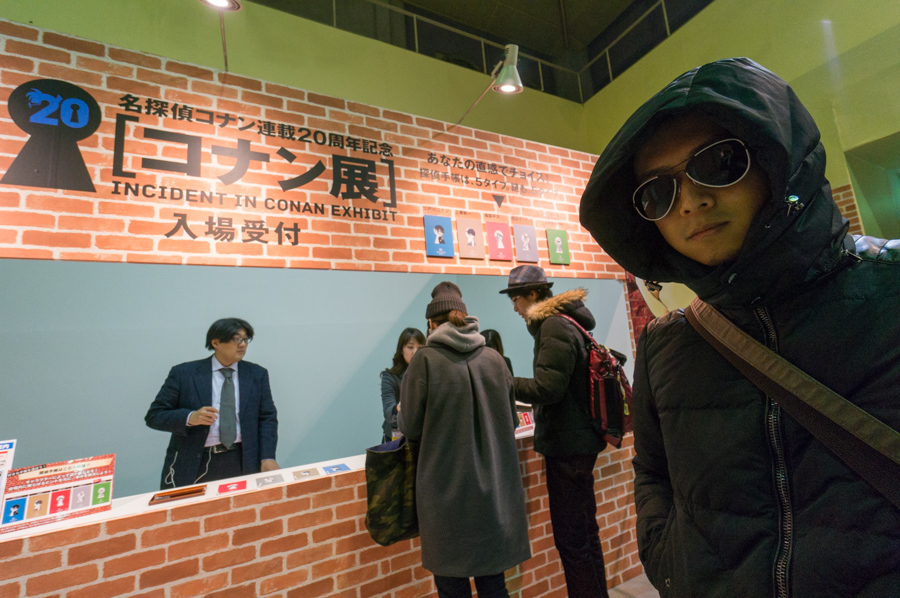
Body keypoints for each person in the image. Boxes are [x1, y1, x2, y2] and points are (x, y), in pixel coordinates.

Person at [579, 57, 900, 597]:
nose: (691, 202)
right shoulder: (666, 343)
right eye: (658, 192)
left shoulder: (889, 289)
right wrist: (667, 558)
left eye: (719, 162)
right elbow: (653, 471)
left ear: (777, 161)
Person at [399, 282, 531, 598]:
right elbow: (511, 422)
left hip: (445, 496)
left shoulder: (424, 361)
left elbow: (410, 427)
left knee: (451, 587)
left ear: (431, 323)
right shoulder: (495, 359)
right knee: (494, 584)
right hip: (493, 496)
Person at [499, 265, 609, 598]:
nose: (514, 308)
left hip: (567, 448)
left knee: (572, 541)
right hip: (579, 443)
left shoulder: (553, 326)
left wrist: (504, 382)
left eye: (516, 300)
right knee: (585, 535)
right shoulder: (567, 322)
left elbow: (548, 388)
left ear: (533, 294)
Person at [145, 317, 279, 489]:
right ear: (216, 342)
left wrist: (267, 456)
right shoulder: (185, 374)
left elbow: (267, 418)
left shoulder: (256, 374)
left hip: (243, 459)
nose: (242, 345)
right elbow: (154, 415)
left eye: (246, 340)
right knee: (190, 506)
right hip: (196, 460)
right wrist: (190, 417)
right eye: (236, 339)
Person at [379, 327, 425, 442]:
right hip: (397, 438)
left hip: (423, 437)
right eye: (410, 347)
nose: (415, 352)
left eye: (420, 348)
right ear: (401, 350)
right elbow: (388, 413)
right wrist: (399, 408)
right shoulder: (390, 377)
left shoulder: (429, 375)